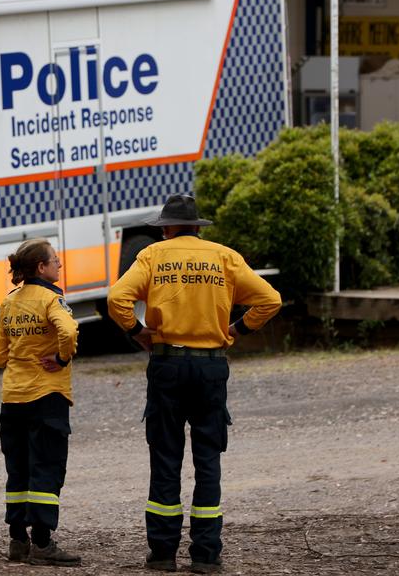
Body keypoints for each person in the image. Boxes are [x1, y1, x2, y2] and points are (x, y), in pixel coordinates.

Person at [106, 194, 281, 574]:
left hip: (167, 364)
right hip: (210, 367)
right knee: (208, 458)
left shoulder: (153, 256)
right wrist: (234, 330)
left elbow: (118, 297)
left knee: (165, 456)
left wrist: (139, 333)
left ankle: (163, 552)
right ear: (197, 227)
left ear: (166, 228)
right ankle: (205, 552)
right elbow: (270, 300)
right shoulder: (224, 256)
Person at [0, 239, 81, 567]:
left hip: (12, 397)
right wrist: (60, 357)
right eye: (55, 261)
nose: (60, 265)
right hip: (46, 396)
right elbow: (69, 332)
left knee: (18, 469)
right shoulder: (51, 299)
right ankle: (43, 543)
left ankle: (18, 540)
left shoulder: (10, 301)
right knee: (47, 467)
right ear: (41, 268)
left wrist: (20, 357)